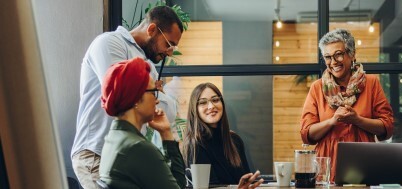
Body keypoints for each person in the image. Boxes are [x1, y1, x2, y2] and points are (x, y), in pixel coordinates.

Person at [71, 6, 184, 188]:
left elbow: (168, 112)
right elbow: (122, 90)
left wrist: (152, 91)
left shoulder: (148, 64)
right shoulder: (109, 43)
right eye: (169, 44)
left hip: (127, 155)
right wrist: (155, 89)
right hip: (97, 151)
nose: (170, 53)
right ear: (152, 30)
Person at [300, 28, 394, 181]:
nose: (333, 62)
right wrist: (332, 121)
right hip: (325, 172)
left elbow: (387, 127)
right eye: (328, 57)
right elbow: (306, 134)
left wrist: (357, 120)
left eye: (338, 54)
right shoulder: (317, 88)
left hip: (364, 166)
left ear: (352, 54)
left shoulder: (371, 83)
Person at [98, 57, 185, 188]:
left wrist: (166, 132)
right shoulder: (137, 148)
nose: (157, 101)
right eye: (153, 93)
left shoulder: (114, 139)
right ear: (136, 99)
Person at [182, 83, 263, 187]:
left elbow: (246, 181)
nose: (211, 106)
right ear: (195, 109)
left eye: (215, 100)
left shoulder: (235, 140)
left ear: (222, 104)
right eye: (203, 102)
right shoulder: (195, 144)